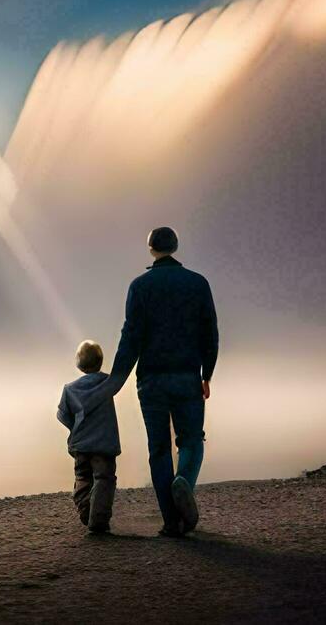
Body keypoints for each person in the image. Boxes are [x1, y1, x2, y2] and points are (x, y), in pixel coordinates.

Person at [85, 226, 217, 537]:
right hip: (187, 376)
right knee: (191, 441)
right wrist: (206, 374)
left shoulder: (140, 286)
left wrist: (115, 381)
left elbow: (130, 338)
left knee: (158, 448)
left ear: (151, 249)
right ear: (176, 246)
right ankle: (183, 479)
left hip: (151, 381)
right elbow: (210, 334)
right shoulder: (198, 284)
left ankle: (171, 522)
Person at [55, 339, 120, 534]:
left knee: (83, 478)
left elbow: (63, 416)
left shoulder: (70, 389)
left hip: (81, 445)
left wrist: (76, 429)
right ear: (100, 362)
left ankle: (86, 510)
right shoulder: (108, 383)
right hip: (104, 445)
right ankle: (98, 518)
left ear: (79, 364)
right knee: (104, 478)